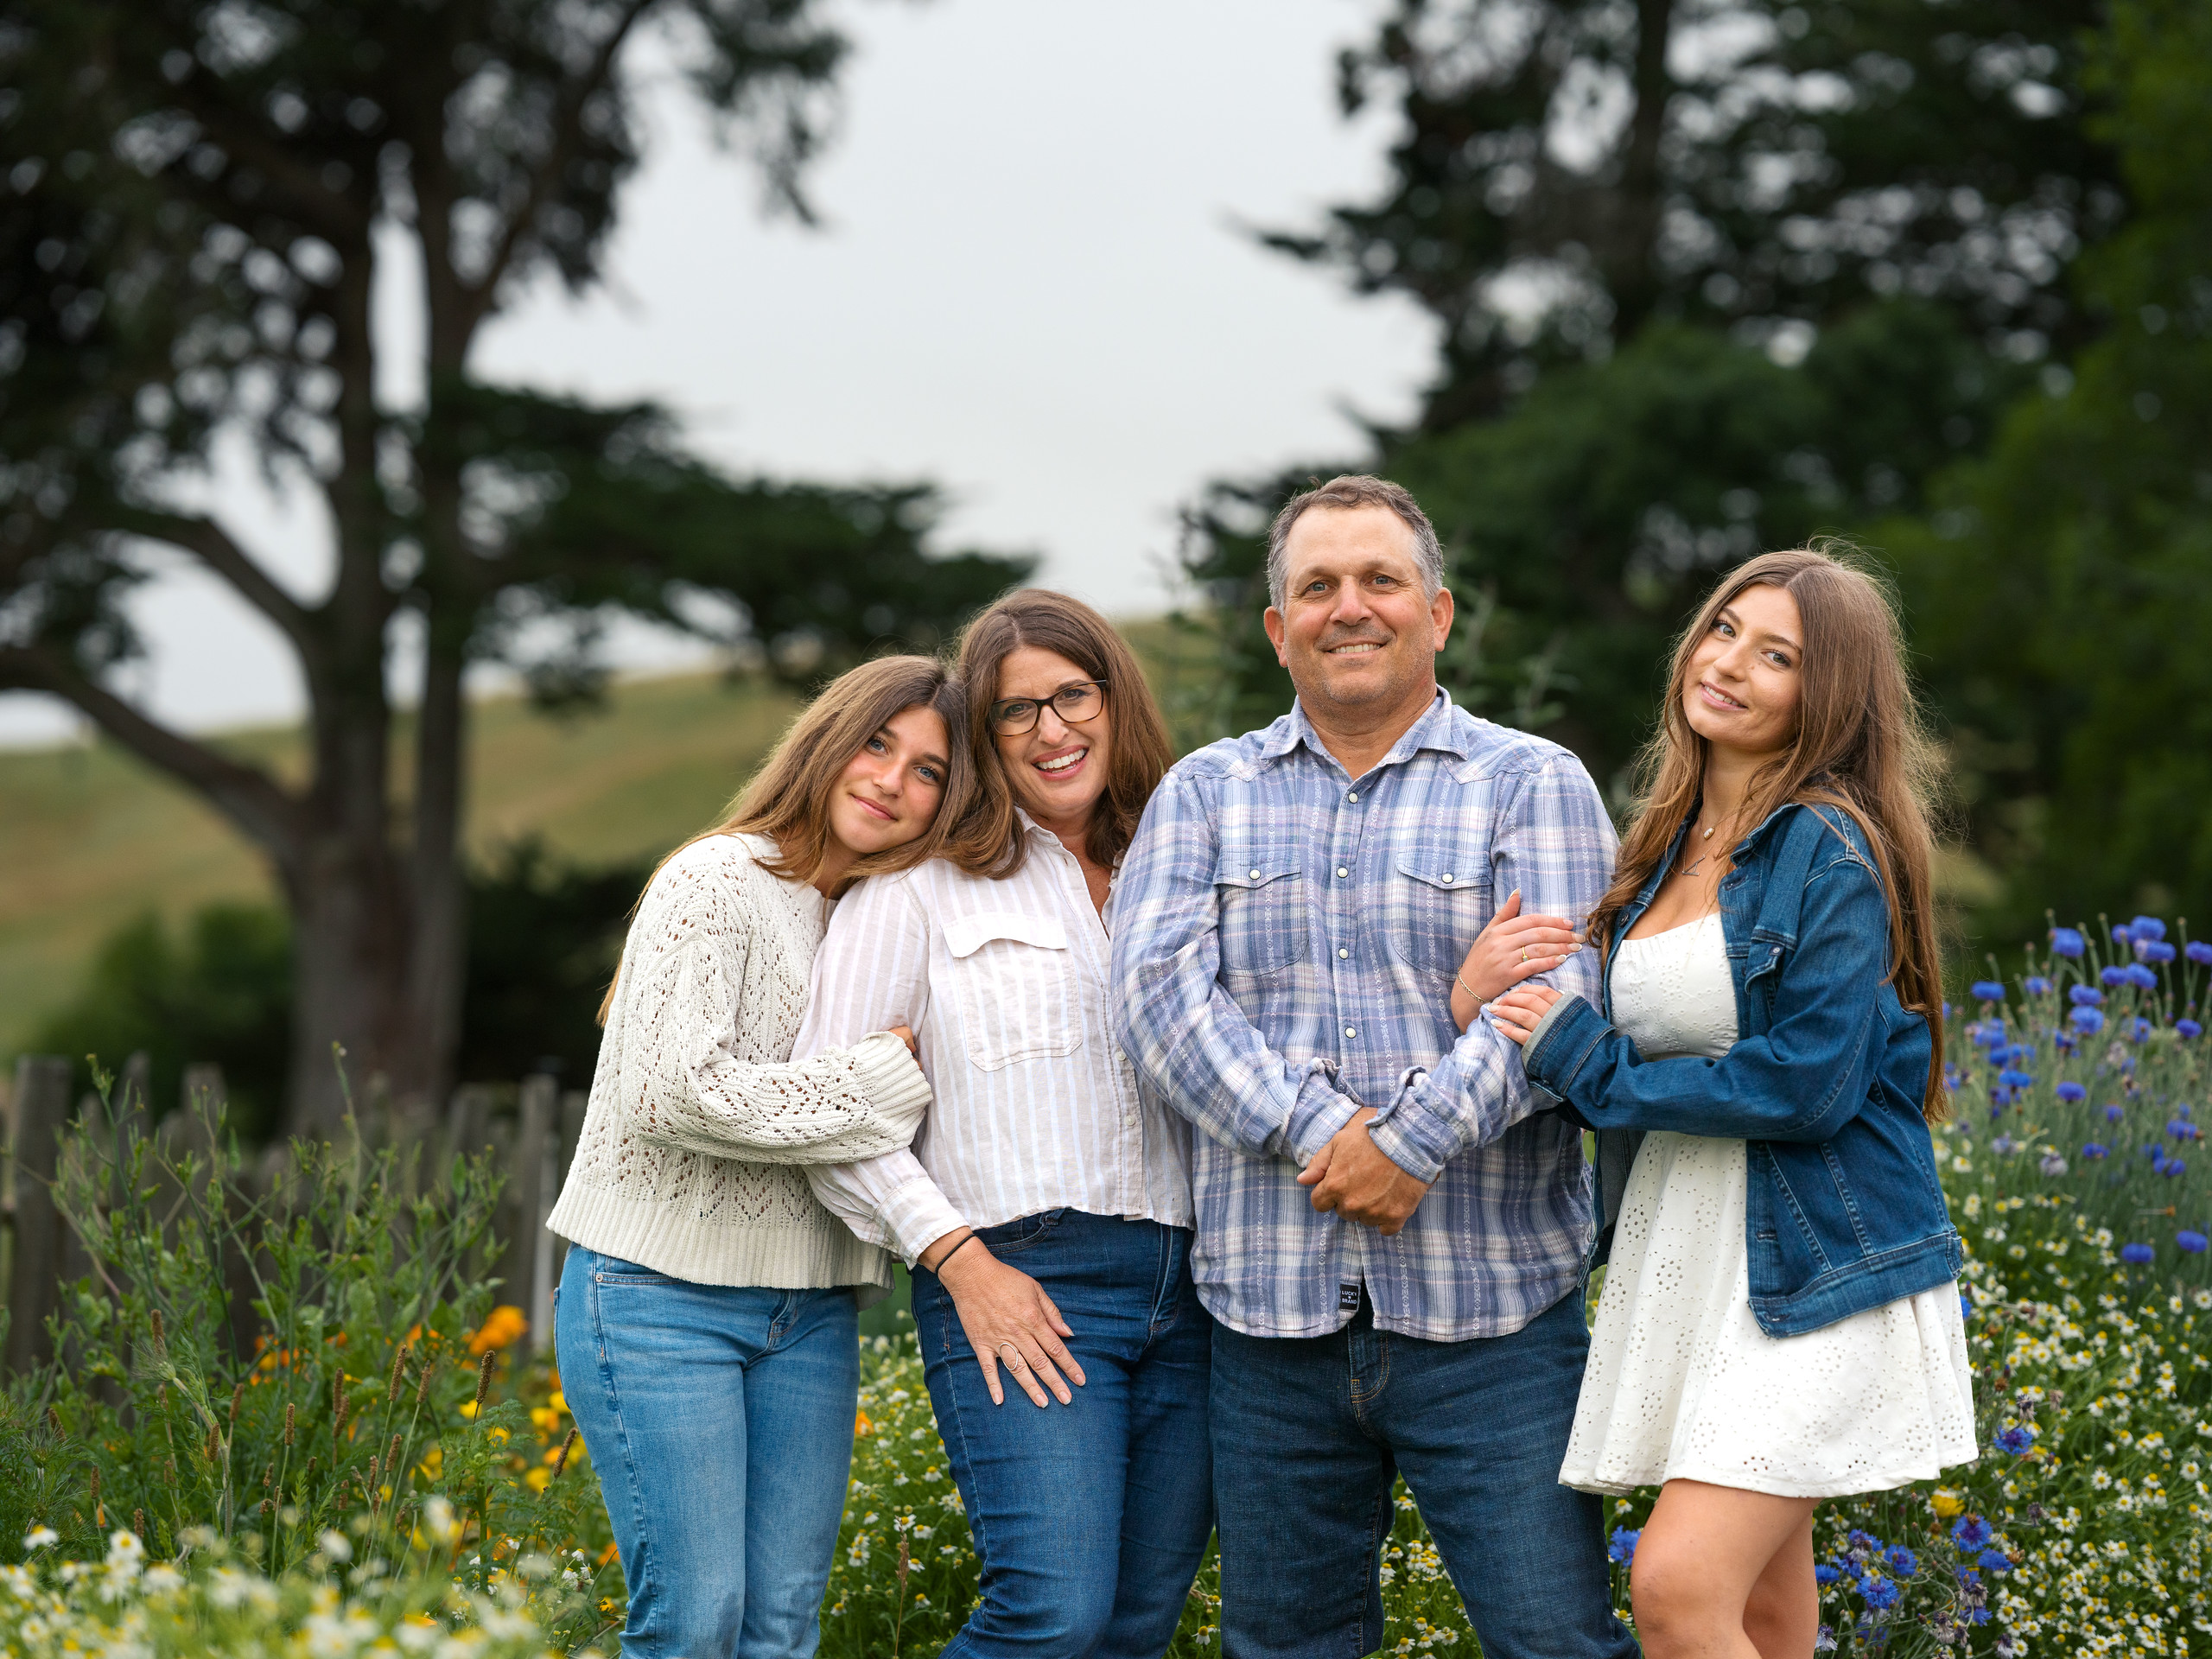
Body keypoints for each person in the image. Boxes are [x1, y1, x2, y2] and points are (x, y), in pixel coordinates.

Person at [1113, 474, 1638, 1659]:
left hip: (1496, 1319)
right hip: (1270, 1326)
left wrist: (1410, 1144)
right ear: (1278, 628)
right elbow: (1158, 1003)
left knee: (1556, 1642)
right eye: (1318, 587)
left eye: (1379, 580)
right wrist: (1324, 1135)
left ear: (1436, 613)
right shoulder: (1205, 793)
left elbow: (1562, 995)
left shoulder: (1531, 781)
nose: (1349, 607)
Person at [1488, 547, 1974, 1659]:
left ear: (1827, 696)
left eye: (1777, 657)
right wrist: (1498, 1004)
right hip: (1694, 1250)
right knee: (1757, 1610)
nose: (1730, 664)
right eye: (1722, 630)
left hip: (1811, 1262)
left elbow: (1806, 1085)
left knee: (1675, 1588)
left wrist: (1588, 1063)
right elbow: (1604, 1044)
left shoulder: (1828, 849)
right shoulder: (1663, 844)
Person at [794, 590, 1211, 1659]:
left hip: (1202, 1295)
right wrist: (962, 1264)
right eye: (1014, 712)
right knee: (1050, 1614)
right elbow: (835, 1118)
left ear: (1115, 699)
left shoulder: (1183, 864)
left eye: (1072, 696)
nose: (1050, 729)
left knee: (1133, 1627)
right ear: (983, 737)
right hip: (1026, 1279)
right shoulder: (917, 889)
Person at [547, 655, 972, 1659]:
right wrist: (876, 1085)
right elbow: (673, 1094)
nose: (891, 780)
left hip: (811, 1311)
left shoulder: (890, 918)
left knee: (781, 1630)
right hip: (657, 1297)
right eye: (877, 744)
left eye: (927, 771)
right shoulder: (719, 878)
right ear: (827, 741)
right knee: (695, 1623)